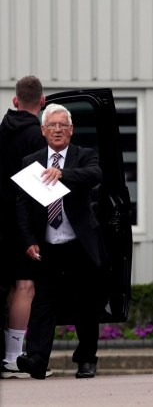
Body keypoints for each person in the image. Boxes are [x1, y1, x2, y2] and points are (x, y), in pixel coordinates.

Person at [15, 103, 106, 380]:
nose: (57, 130)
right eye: (52, 125)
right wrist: (29, 240)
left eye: (62, 125)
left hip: (79, 244)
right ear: (43, 130)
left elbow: (95, 175)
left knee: (85, 305)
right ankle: (37, 361)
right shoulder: (31, 162)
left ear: (71, 130)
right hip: (47, 245)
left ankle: (86, 360)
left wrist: (62, 173)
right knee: (43, 305)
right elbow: (23, 205)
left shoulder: (84, 155)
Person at [0, 76, 48, 379]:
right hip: (21, 224)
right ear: (42, 102)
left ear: (15, 101)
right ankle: (14, 357)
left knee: (4, 288)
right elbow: (40, 188)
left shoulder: (1, 130)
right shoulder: (37, 137)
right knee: (25, 286)